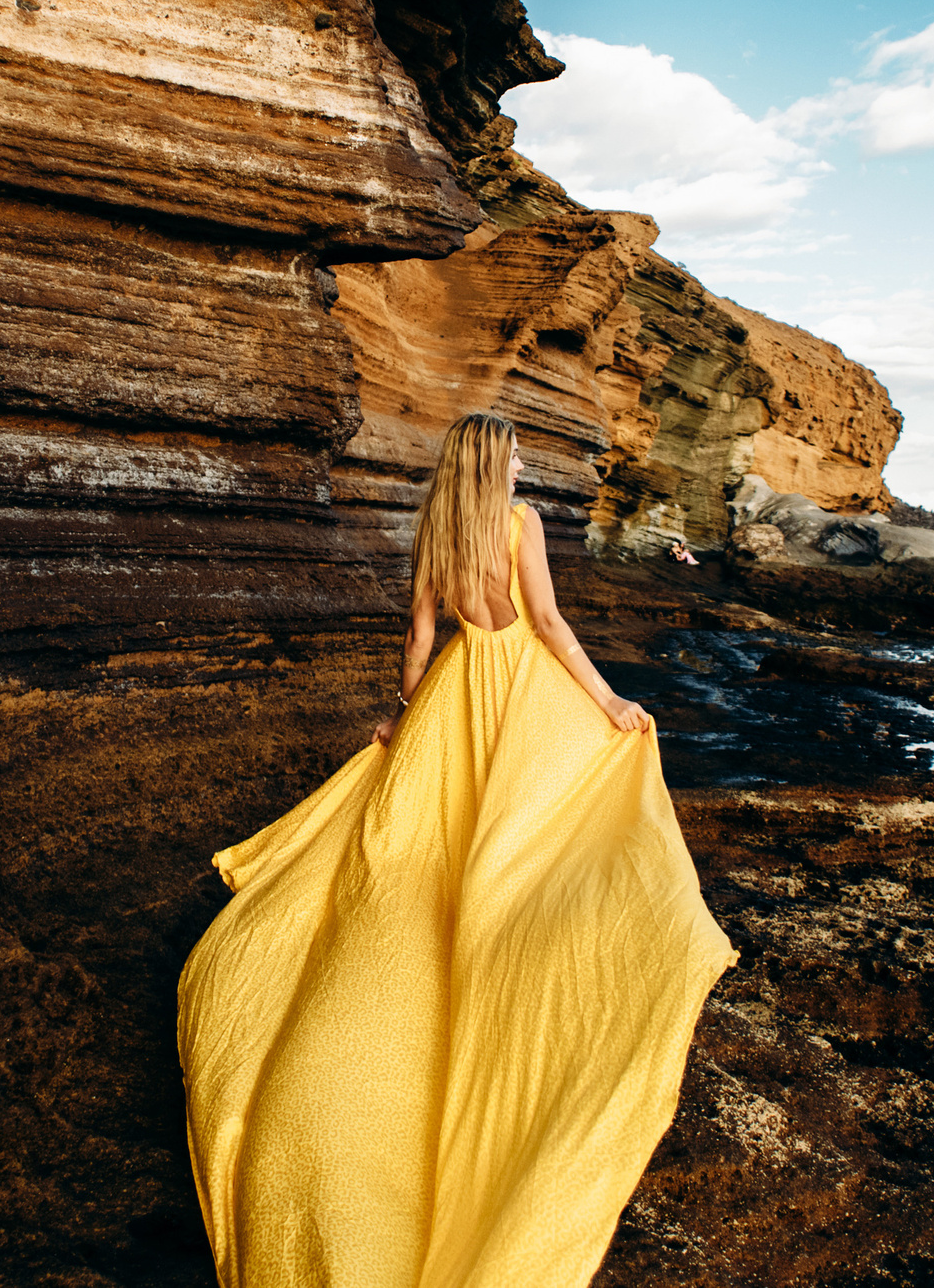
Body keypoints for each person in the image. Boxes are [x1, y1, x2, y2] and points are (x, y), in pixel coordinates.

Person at [178, 412, 736, 1288]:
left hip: (453, 697)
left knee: (441, 843)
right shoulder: (520, 523)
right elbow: (547, 622)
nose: (520, 463)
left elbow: (417, 642)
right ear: (491, 461)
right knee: (547, 823)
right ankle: (527, 956)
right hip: (520, 692)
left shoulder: (437, 530)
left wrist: (402, 718)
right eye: (512, 452)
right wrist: (608, 700)